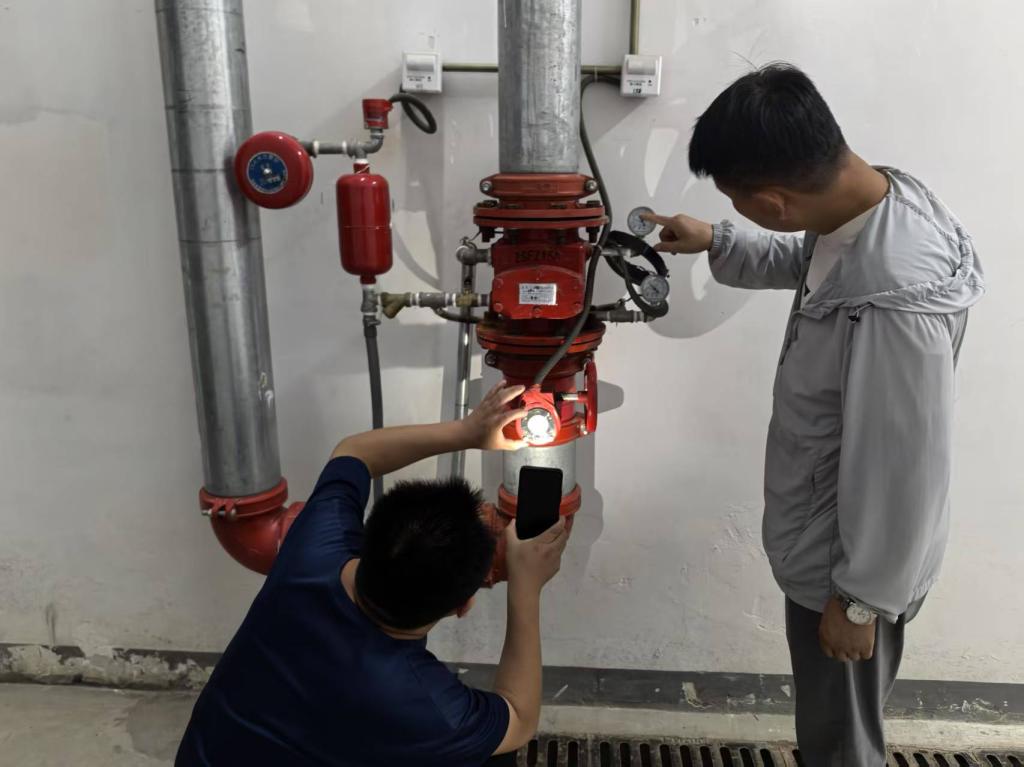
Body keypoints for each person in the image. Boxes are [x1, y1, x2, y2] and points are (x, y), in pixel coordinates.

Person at [643, 63, 984, 765]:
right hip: (831, 538)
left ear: (774, 201)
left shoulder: (897, 302)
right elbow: (814, 262)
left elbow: (905, 463)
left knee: (839, 741)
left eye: (738, 202)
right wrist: (718, 239)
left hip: (847, 562)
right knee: (830, 725)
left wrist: (861, 601)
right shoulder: (866, 202)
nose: (740, 211)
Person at [176, 382, 568, 767]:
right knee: (490, 756)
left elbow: (355, 452)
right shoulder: (427, 706)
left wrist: (467, 431)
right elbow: (519, 718)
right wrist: (526, 588)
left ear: (369, 534)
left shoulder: (314, 547)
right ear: (462, 606)